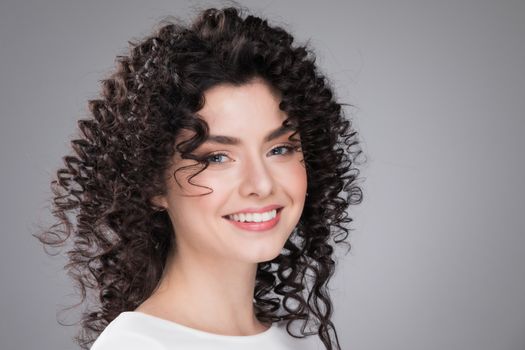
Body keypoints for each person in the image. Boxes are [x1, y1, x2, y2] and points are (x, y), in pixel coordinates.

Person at [35, 6, 364, 350]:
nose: (262, 184)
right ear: (153, 183)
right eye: (218, 157)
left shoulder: (298, 343)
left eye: (279, 149)